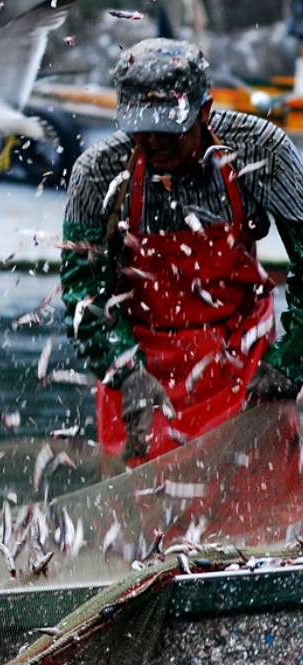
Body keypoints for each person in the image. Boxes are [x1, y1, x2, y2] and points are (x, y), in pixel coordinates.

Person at [61, 38, 303, 469]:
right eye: (140, 126)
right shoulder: (97, 174)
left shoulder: (262, 152)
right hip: (141, 369)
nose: (154, 141)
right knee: (141, 523)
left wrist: (290, 360)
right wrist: (124, 370)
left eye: (169, 127)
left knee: (256, 511)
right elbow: (83, 296)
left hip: (242, 361)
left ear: (204, 112)